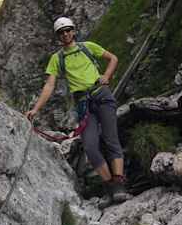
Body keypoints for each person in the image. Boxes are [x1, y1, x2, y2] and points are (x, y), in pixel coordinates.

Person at [25, 16, 130, 207]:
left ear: (73, 31)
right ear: (58, 36)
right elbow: (49, 85)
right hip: (83, 103)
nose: (65, 34)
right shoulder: (57, 59)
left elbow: (112, 58)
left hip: (102, 95)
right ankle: (111, 187)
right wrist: (36, 109)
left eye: (68, 30)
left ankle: (119, 185)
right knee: (90, 147)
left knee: (111, 139)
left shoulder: (87, 46)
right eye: (61, 32)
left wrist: (106, 75)